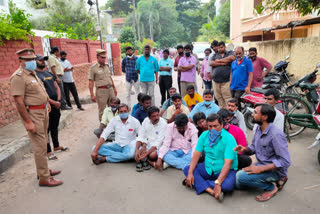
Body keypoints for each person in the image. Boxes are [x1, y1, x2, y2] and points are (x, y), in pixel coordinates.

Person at [10, 48, 62, 187]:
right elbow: (19, 102)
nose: (32, 62)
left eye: (33, 59)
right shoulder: (18, 77)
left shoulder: (32, 74)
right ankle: (44, 178)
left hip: (42, 111)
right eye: (28, 60)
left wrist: (46, 104)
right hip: (33, 114)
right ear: (20, 61)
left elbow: (40, 92)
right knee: (39, 146)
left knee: (43, 142)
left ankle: (43, 171)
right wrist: (28, 122)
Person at [234, 104, 291, 202]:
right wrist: (244, 149)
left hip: (275, 170)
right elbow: (253, 147)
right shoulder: (258, 129)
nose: (252, 114)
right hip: (262, 164)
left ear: (265, 117)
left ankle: (271, 187)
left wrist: (260, 169)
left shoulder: (276, 134)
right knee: (238, 184)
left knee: (240, 177)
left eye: (255, 112)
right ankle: (265, 180)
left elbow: (285, 161)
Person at [183, 114, 238, 201]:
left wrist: (218, 182)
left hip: (223, 170)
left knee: (228, 186)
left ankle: (198, 183)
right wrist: (190, 173)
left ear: (222, 125)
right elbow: (196, 155)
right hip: (208, 167)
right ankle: (211, 191)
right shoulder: (204, 135)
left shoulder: (229, 139)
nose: (212, 129)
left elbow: (228, 163)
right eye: (210, 126)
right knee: (187, 169)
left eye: (215, 126)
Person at [35, 54, 69, 161]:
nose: (43, 62)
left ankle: (56, 146)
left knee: (54, 126)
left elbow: (56, 86)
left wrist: (58, 100)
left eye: (43, 60)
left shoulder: (48, 73)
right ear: (35, 61)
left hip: (55, 105)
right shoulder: (35, 75)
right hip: (47, 106)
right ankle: (48, 151)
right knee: (47, 129)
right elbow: (41, 94)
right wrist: (53, 102)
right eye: (40, 60)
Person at [135, 106, 167, 172]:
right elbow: (141, 135)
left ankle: (148, 161)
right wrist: (140, 148)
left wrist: (146, 153)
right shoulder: (146, 121)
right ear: (149, 117)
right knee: (136, 151)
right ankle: (143, 158)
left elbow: (158, 142)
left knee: (153, 155)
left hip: (157, 146)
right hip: (147, 143)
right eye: (154, 116)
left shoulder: (163, 123)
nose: (157, 118)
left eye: (157, 115)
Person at [88, 49, 117, 122]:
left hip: (110, 90)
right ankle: (103, 126)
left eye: (104, 57)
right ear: (97, 57)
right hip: (101, 91)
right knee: (102, 110)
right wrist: (92, 94)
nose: (104, 59)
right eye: (102, 57)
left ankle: (113, 124)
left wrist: (114, 88)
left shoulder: (107, 66)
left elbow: (110, 78)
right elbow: (91, 82)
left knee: (114, 108)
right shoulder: (93, 68)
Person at [207, 41, 235, 109]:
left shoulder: (229, 52)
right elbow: (211, 63)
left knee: (227, 97)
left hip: (226, 80)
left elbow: (231, 58)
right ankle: (222, 112)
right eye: (218, 48)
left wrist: (218, 61)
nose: (220, 49)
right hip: (216, 80)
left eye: (221, 47)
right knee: (218, 97)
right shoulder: (214, 55)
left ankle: (229, 111)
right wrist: (224, 63)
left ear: (225, 47)